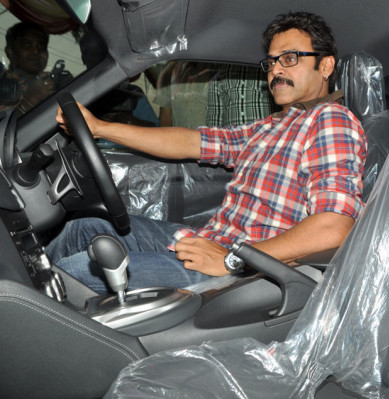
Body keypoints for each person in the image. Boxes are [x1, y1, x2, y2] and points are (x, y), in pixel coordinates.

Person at [47, 11, 367, 294]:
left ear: (325, 66)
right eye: (271, 62)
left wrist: (232, 260)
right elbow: (190, 142)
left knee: (73, 277)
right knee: (84, 228)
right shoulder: (270, 127)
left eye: (290, 58)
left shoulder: (330, 120)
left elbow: (333, 227)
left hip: (239, 274)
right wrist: (99, 128)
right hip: (209, 241)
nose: (275, 71)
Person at [1, 22, 54, 114]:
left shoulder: (54, 83)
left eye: (41, 46)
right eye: (27, 45)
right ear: (9, 52)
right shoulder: (3, 85)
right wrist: (30, 100)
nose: (35, 51)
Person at [206, 63, 276, 127]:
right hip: (231, 136)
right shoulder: (220, 65)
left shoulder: (267, 64)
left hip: (264, 133)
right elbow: (214, 112)